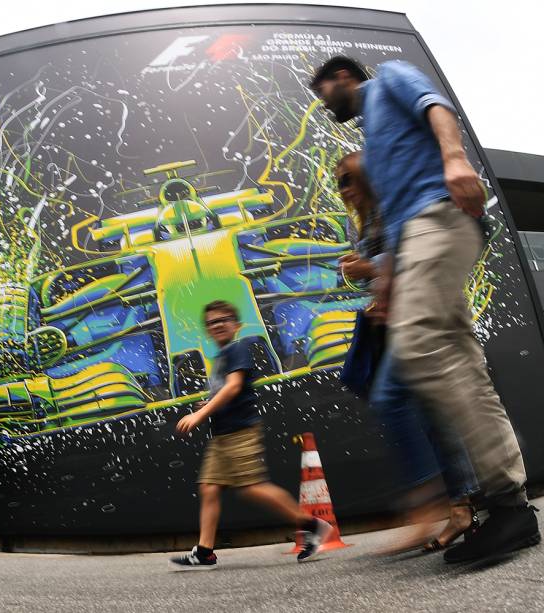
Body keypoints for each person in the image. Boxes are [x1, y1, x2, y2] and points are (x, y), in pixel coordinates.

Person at [311, 56, 540, 562]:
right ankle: (507, 504)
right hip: (417, 237)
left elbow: (435, 104)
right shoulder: (375, 136)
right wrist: (388, 284)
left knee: (419, 348)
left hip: (437, 218)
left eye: (321, 89)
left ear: (343, 77)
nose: (321, 101)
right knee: (463, 364)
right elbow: (391, 222)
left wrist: (456, 159)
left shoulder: (389, 77)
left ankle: (489, 494)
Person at [336, 152, 479, 552]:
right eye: (339, 182)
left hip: (422, 316)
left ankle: (426, 504)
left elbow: (409, 252)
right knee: (431, 414)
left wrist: (369, 268)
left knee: (390, 399)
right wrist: (363, 276)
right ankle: (460, 504)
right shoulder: (359, 221)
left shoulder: (390, 206)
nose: (343, 189)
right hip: (395, 322)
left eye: (348, 179)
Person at [169, 300, 331, 570]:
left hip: (240, 431)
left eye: (224, 319)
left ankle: (313, 526)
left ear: (236, 325)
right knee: (209, 488)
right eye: (212, 322)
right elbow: (226, 391)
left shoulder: (238, 348)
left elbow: (233, 387)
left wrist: (201, 414)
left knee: (252, 487)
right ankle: (205, 551)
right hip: (222, 434)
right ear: (207, 330)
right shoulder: (222, 357)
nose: (218, 325)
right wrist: (207, 406)